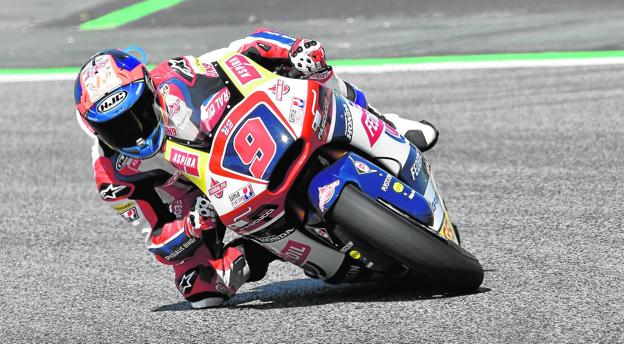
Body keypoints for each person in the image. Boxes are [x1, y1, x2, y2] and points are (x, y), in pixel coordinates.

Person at [74, 29, 439, 309]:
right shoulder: (112, 176)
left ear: (149, 89)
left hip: (242, 137)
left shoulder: (177, 75)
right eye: (116, 128)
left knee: (313, 69)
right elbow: (156, 239)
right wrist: (190, 225)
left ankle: (381, 119)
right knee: (202, 291)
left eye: (136, 115)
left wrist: (292, 50)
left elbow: (239, 51)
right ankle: (267, 252)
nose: (133, 133)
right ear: (93, 129)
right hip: (198, 201)